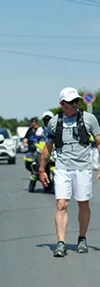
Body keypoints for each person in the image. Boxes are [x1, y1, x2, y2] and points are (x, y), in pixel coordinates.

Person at [40, 87, 100, 257]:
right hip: (62, 168)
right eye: (71, 102)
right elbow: (48, 147)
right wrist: (42, 169)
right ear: (62, 104)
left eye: (76, 101)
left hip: (83, 168)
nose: (75, 105)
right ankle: (61, 242)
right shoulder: (54, 122)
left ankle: (82, 238)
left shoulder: (89, 119)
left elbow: (99, 141)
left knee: (83, 203)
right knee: (61, 204)